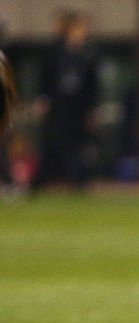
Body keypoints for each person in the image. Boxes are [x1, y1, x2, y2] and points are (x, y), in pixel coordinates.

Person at [34, 11, 97, 190]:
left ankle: (79, 181)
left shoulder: (87, 55)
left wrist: (92, 109)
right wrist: (42, 100)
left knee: (78, 145)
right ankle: (39, 181)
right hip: (58, 107)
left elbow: (93, 86)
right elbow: (45, 79)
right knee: (52, 142)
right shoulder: (55, 53)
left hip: (78, 109)